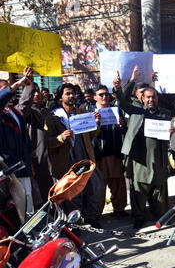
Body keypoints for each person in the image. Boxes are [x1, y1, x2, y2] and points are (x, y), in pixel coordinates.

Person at [113, 71, 174, 229]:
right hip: (139, 158)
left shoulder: (165, 114)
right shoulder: (136, 110)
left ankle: (160, 216)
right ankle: (139, 217)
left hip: (158, 157)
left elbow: (174, 125)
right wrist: (121, 86)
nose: (150, 99)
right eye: (147, 97)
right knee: (138, 189)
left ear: (157, 98)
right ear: (142, 98)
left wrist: (173, 130)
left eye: (153, 97)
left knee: (159, 188)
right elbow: (122, 101)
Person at [44, 83, 105, 228]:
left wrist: (96, 123)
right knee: (73, 195)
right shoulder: (53, 117)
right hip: (66, 162)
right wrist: (61, 138)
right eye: (67, 94)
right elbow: (48, 142)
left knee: (95, 188)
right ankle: (75, 224)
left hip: (85, 158)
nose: (71, 96)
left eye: (73, 93)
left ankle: (91, 218)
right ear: (60, 98)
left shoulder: (82, 113)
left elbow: (92, 134)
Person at [89, 84, 129, 218]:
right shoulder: (89, 112)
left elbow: (124, 130)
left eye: (106, 94)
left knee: (118, 184)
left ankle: (119, 209)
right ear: (95, 97)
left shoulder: (116, 110)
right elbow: (87, 135)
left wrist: (122, 125)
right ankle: (96, 213)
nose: (104, 97)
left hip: (115, 153)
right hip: (98, 155)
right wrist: (95, 122)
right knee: (99, 186)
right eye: (101, 94)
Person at [0, 67, 35, 215]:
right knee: (14, 208)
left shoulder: (14, 112)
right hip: (8, 170)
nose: (11, 91)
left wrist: (29, 83)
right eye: (5, 89)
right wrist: (17, 84)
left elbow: (26, 102)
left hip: (22, 166)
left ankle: (30, 235)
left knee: (28, 203)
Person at [16, 82, 53, 209]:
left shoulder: (47, 111)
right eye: (33, 92)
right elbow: (22, 108)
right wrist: (28, 85)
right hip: (34, 159)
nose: (36, 95)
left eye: (38, 91)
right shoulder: (25, 111)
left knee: (50, 192)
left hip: (49, 158)